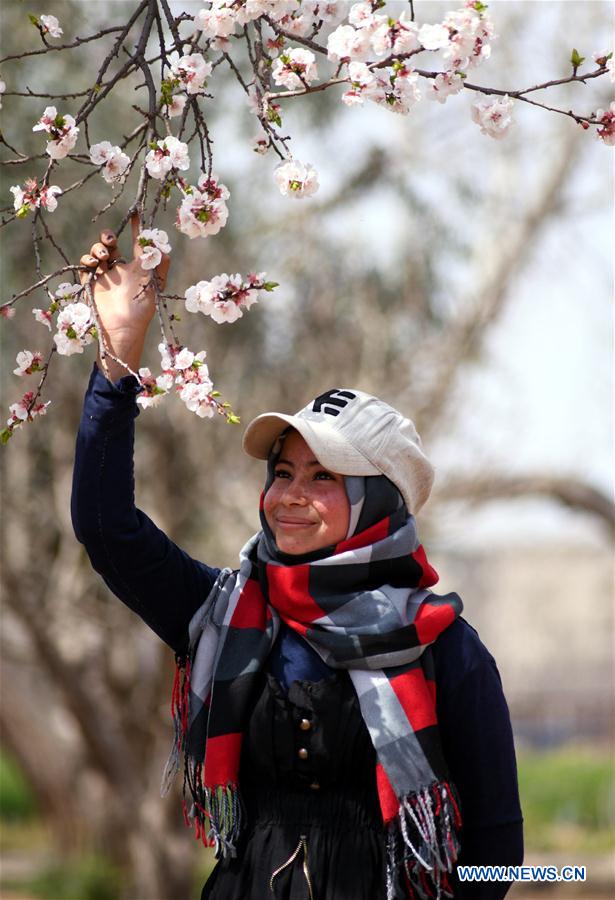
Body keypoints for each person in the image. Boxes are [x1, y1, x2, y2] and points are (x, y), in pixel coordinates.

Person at [71, 219, 523, 899]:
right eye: (283, 473)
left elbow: (500, 854)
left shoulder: (447, 651)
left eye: (322, 478)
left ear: (376, 503)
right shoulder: (223, 611)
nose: (289, 496)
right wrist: (116, 360)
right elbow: (104, 526)